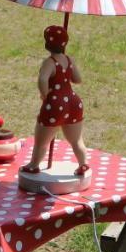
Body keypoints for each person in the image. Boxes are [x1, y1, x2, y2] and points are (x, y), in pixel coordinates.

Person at [21, 25, 90, 175]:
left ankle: (34, 165)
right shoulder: (69, 59)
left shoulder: (49, 62)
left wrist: (45, 95)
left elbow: (42, 79)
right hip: (73, 102)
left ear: (47, 43)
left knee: (42, 141)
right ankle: (83, 163)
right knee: (77, 140)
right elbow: (77, 79)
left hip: (55, 104)